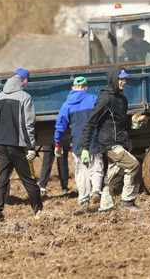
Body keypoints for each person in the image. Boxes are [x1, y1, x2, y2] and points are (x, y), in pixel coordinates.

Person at [81, 67, 144, 212]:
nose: (124, 82)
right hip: (109, 143)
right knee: (133, 165)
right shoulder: (106, 98)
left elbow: (120, 122)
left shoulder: (122, 99)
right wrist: (85, 147)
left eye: (124, 79)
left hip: (120, 141)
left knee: (113, 176)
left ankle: (105, 206)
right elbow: (91, 122)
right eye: (120, 79)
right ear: (113, 80)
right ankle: (128, 201)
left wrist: (133, 123)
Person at [0, 68, 42, 222]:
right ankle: (38, 211)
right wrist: (31, 147)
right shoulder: (25, 97)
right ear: (23, 81)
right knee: (28, 178)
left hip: (0, 145)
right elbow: (28, 124)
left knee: (2, 178)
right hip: (17, 145)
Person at [51, 76, 99, 210]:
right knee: (96, 167)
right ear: (86, 87)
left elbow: (60, 126)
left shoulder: (67, 105)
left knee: (81, 170)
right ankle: (96, 191)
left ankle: (84, 200)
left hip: (77, 141)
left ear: (73, 88)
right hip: (93, 139)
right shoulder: (93, 99)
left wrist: (57, 143)